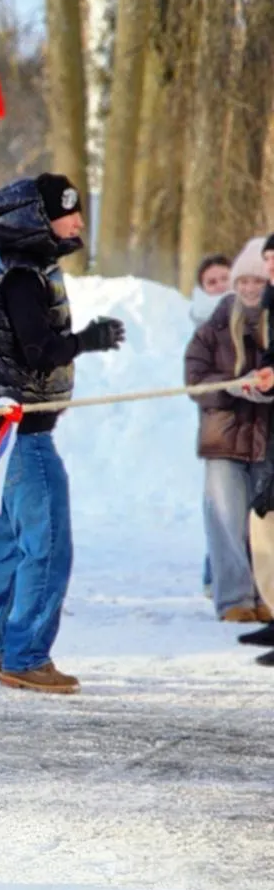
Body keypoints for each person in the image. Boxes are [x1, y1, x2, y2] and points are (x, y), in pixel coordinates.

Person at [0, 173, 125, 695]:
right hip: (23, 435)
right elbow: (37, 350)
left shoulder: (18, 267)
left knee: (9, 542)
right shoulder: (23, 276)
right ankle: (25, 654)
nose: (77, 221)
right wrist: (88, 340)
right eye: (67, 212)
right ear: (38, 219)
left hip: (7, 431)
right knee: (49, 544)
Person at [184, 240, 274, 626]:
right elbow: (195, 379)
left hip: (266, 436)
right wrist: (233, 385)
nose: (250, 289)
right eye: (244, 281)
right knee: (226, 523)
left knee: (262, 525)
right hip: (224, 438)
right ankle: (234, 598)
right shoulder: (215, 325)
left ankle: (263, 594)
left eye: (258, 280)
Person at [191, 250, 235, 326]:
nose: (220, 285)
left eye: (225, 278)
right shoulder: (192, 321)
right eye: (212, 282)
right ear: (202, 289)